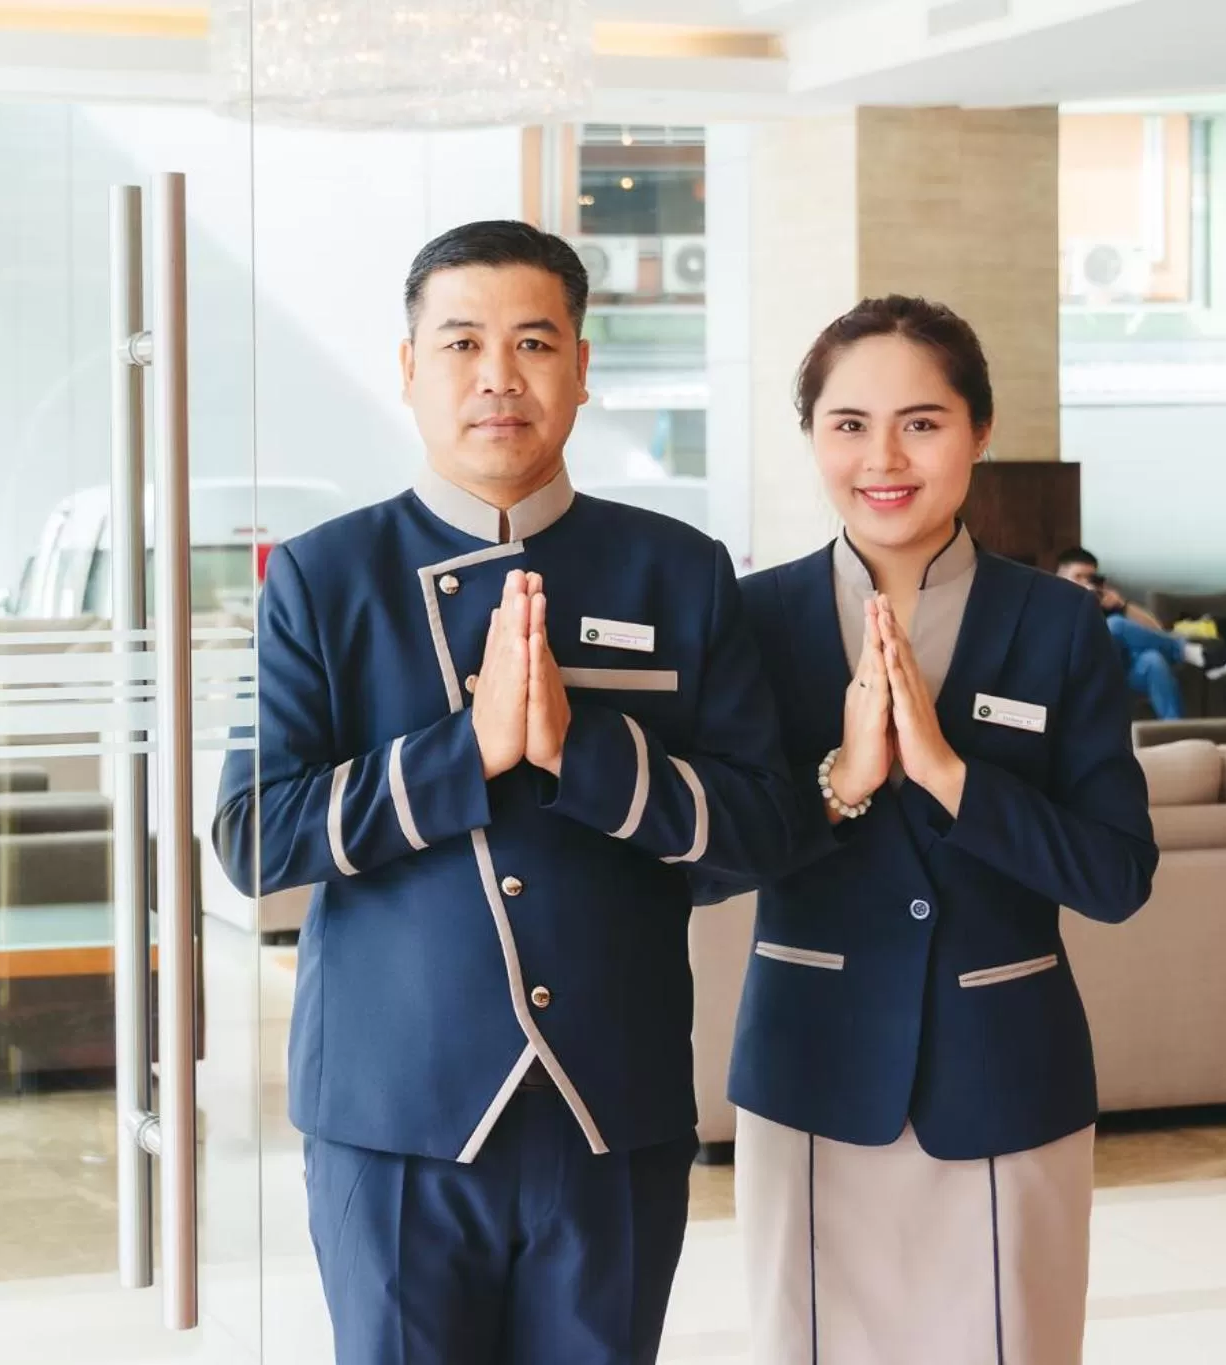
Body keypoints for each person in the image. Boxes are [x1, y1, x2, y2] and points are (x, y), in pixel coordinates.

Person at [213, 221, 794, 1364]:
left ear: (580, 366)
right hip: (389, 1118)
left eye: (532, 342)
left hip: (610, 1107)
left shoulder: (676, 570)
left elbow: (763, 830)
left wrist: (586, 758)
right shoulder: (323, 579)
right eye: (460, 342)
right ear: (408, 368)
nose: (496, 376)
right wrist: (460, 755)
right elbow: (249, 837)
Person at [710, 296, 1159, 1363]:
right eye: (847, 424)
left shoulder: (1056, 624)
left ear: (979, 430)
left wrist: (953, 778)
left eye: (920, 421)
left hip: (1005, 1073)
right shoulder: (749, 620)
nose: (883, 457)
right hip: (809, 1070)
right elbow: (698, 862)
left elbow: (1114, 875)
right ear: (810, 437)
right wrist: (840, 780)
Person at [1055, 546, 1226, 719]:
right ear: (1061, 577)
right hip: (1081, 673)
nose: (1086, 583)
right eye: (1078, 577)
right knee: (1116, 625)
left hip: (1117, 673)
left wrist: (1123, 605)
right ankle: (1193, 653)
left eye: (1090, 578)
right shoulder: (1052, 604)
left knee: (1153, 660)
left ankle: (1177, 734)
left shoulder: (1102, 603)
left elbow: (1157, 631)